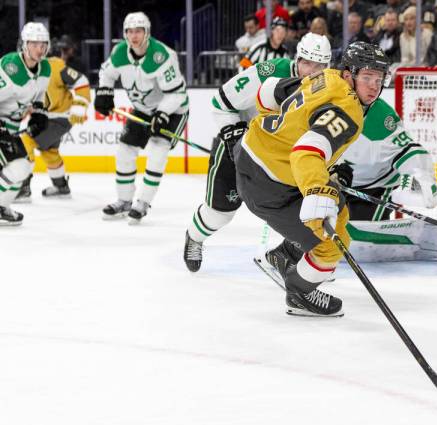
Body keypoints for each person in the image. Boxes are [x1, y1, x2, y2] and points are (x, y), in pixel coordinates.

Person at [234, 42, 391, 317]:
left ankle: (284, 255)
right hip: (268, 184)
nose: (374, 86)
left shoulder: (324, 77)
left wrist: (288, 139)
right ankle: (299, 291)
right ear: (348, 75)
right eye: (367, 77)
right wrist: (317, 191)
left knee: (339, 205)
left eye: (379, 79)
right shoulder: (349, 110)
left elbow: (266, 94)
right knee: (333, 242)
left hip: (253, 152)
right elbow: (307, 151)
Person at [183, 33, 333, 272]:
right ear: (297, 59)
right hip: (242, 147)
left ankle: (289, 256)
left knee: (303, 210)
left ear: (328, 66)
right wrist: (234, 134)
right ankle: (195, 237)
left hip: (282, 158)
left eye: (319, 65)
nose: (311, 71)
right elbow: (220, 102)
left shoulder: (327, 89)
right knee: (220, 213)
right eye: (306, 62)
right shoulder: (270, 71)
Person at [94, 12, 188, 223]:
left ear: (147, 33)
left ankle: (143, 202)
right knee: (125, 151)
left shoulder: (162, 55)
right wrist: (104, 92)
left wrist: (163, 113)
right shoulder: (120, 52)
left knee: (157, 150)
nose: (134, 36)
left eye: (139, 31)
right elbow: (106, 73)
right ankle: (124, 200)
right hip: (143, 110)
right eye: (130, 31)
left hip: (173, 110)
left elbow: (177, 94)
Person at [335, 96, 437, 263]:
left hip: (376, 184)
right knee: (316, 229)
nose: (373, 86)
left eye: (378, 80)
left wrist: (420, 175)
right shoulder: (321, 102)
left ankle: (432, 240)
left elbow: (408, 149)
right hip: (336, 182)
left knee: (360, 239)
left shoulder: (379, 114)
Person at [16, 35, 90, 201]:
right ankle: (60, 186)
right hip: (46, 118)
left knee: (26, 141)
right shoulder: (27, 72)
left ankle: (22, 188)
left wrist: (80, 105)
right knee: (49, 151)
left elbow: (82, 80)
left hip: (58, 117)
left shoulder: (54, 66)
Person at [0, 22, 51, 225]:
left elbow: (39, 96)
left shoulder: (45, 68)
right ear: (24, 44)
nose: (40, 49)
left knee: (23, 167)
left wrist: (39, 113)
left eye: (43, 44)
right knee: (20, 165)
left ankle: (2, 206)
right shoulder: (10, 67)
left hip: (11, 127)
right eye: (34, 44)